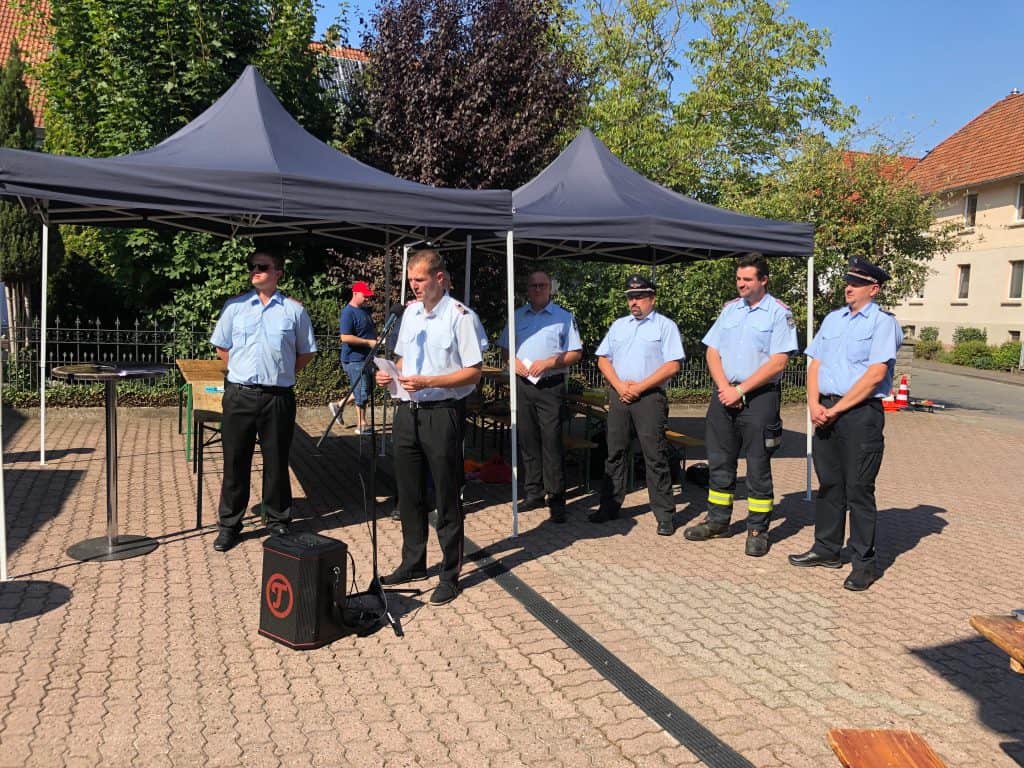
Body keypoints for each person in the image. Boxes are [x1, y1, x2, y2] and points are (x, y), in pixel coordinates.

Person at [374, 248, 484, 606]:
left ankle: (450, 573)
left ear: (439, 278)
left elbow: (473, 372)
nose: (414, 286)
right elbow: (403, 357)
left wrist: (430, 381)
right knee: (409, 492)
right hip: (408, 410)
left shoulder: (461, 317)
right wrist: (389, 373)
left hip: (442, 411)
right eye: (410, 280)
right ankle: (413, 562)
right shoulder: (409, 314)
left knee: (446, 494)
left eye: (419, 279)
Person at [789, 256, 903, 591]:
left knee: (859, 489)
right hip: (825, 409)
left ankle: (864, 563)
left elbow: (876, 374)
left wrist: (837, 409)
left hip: (859, 414)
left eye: (857, 283)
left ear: (874, 288)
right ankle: (826, 548)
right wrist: (814, 404)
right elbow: (815, 363)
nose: (849, 288)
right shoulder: (833, 319)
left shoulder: (882, 323)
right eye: (848, 282)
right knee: (830, 484)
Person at [683, 254, 797, 556]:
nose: (741, 284)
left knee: (758, 465)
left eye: (747, 279)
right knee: (719, 461)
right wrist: (725, 387)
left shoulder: (779, 313)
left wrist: (741, 390)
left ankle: (758, 529)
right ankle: (718, 521)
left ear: (763, 280)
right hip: (724, 394)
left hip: (759, 397)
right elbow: (712, 351)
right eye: (738, 279)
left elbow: (779, 361)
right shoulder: (730, 310)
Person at [210, 249, 317, 552]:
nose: (255, 271)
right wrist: (242, 371)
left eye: (262, 266)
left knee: (277, 460)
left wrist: (282, 373)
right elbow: (222, 347)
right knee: (234, 461)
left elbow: (306, 352)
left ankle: (278, 519)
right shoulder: (235, 307)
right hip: (240, 394)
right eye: (252, 266)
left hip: (277, 396)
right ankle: (230, 525)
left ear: (278, 273)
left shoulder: (294, 311)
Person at [590, 274, 684, 535]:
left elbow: (672, 365)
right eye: (630, 297)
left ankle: (664, 514)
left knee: (655, 456)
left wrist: (639, 387)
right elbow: (602, 359)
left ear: (652, 298)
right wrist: (620, 386)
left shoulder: (665, 326)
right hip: (620, 395)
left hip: (650, 398)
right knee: (615, 453)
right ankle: (609, 507)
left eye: (640, 297)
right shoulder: (619, 326)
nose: (634, 302)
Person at [497, 271, 583, 523]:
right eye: (533, 285)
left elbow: (575, 352)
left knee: (551, 441)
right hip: (523, 385)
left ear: (550, 288)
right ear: (527, 289)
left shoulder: (563, 317)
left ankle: (556, 497)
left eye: (542, 285)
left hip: (550, 385)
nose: (537, 289)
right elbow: (505, 348)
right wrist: (512, 362)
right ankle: (533, 492)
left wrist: (548, 363)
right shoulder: (516, 316)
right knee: (527, 438)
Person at [329, 281, 377, 434]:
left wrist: (376, 339)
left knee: (367, 388)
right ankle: (361, 425)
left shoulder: (364, 311)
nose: (367, 299)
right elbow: (345, 337)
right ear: (355, 293)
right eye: (365, 296)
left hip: (367, 357)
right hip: (354, 359)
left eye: (369, 296)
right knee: (362, 390)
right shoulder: (348, 313)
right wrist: (368, 342)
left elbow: (367, 333)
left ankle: (339, 405)